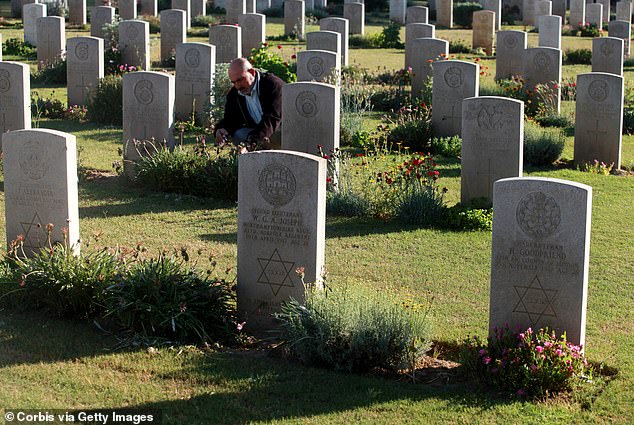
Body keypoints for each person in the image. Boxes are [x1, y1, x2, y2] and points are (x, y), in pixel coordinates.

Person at [214, 58, 284, 151]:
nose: (237, 86)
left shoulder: (273, 85)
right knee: (240, 134)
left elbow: (272, 119)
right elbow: (231, 119)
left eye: (240, 80)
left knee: (274, 136)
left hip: (282, 131)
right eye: (234, 82)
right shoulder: (235, 93)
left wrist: (250, 143)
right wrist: (221, 129)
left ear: (252, 72)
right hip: (259, 133)